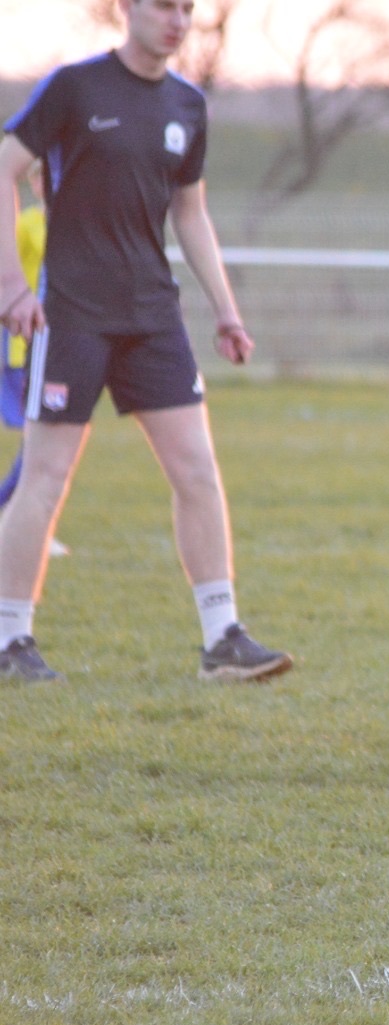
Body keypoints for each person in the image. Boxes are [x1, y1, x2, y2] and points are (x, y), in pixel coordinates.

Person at [0, 0, 291, 683]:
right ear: (127, 9)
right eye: (164, 5)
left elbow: (190, 213)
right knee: (45, 477)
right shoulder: (75, 87)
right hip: (71, 314)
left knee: (197, 471)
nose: (178, 20)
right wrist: (12, 286)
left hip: (153, 317)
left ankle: (222, 638)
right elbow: (4, 167)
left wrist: (226, 309)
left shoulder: (188, 105)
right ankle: (11, 639)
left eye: (187, 8)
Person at [0, 159, 67, 558]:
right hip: (21, 348)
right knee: (41, 441)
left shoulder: (73, 225)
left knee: (45, 442)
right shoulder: (26, 224)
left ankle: (25, 521)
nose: (48, 182)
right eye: (40, 176)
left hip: (61, 344)